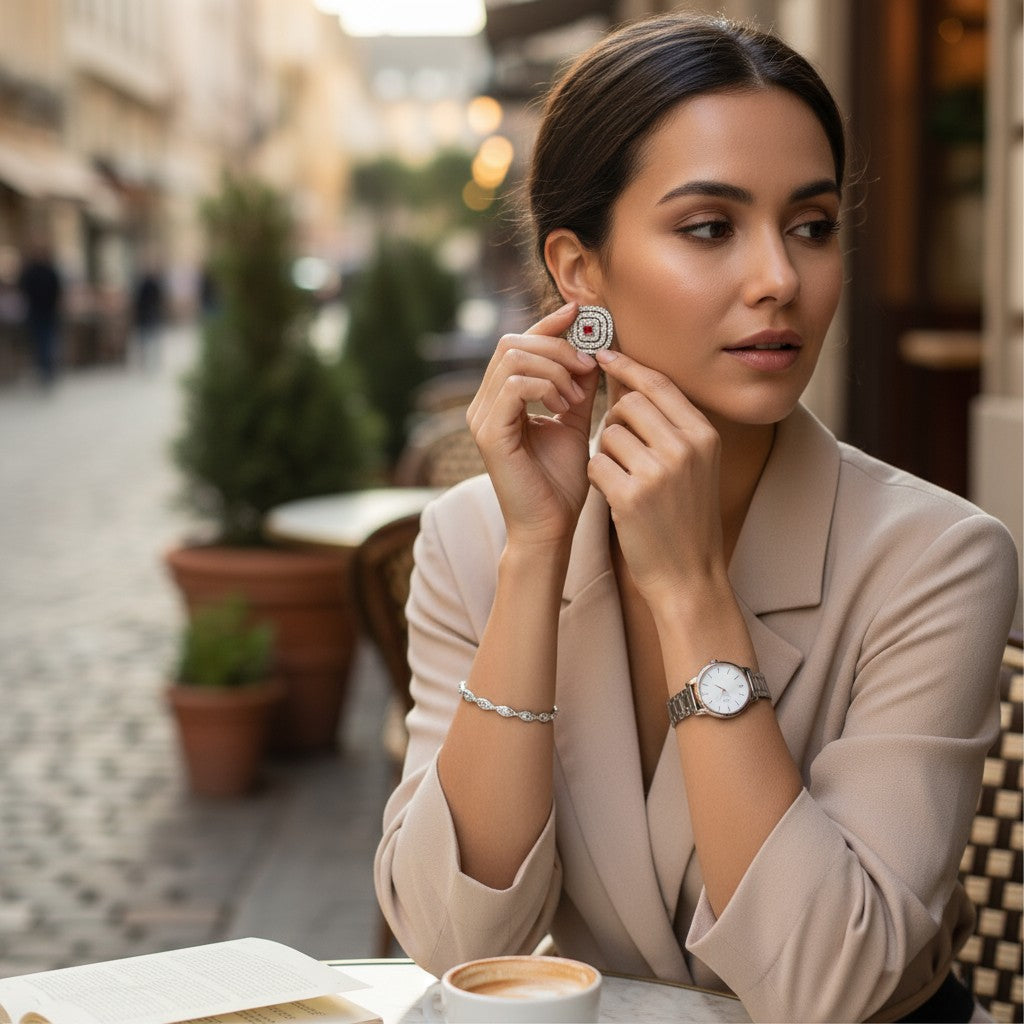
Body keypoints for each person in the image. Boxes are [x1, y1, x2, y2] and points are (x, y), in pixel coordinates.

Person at [374, 13, 1019, 1023]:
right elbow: (454, 943)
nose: (778, 278)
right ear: (581, 275)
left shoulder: (936, 559)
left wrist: (690, 593)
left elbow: (828, 987)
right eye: (710, 227)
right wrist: (535, 554)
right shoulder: (475, 539)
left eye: (809, 226)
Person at [17, 239, 62, 387]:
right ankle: (46, 369)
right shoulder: (45, 270)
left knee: (44, 341)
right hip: (42, 312)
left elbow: (22, 289)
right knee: (45, 341)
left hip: (42, 312)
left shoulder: (35, 271)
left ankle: (46, 369)